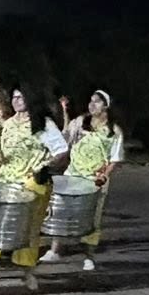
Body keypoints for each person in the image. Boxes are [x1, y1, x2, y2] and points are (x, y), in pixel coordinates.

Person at [0, 87, 68, 290]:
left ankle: (28, 272)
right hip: (5, 180)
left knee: (29, 229)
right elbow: (1, 152)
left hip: (31, 183)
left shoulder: (42, 123)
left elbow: (61, 150)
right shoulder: (8, 123)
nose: (17, 100)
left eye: (21, 97)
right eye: (15, 97)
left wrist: (43, 169)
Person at [47, 88, 123, 270]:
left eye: (97, 101)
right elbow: (66, 136)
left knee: (92, 219)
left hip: (93, 180)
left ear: (106, 106)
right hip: (72, 174)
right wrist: (64, 112)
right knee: (61, 212)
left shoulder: (113, 131)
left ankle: (88, 256)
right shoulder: (81, 122)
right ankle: (54, 250)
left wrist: (104, 175)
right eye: (90, 101)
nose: (92, 104)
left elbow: (115, 158)